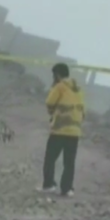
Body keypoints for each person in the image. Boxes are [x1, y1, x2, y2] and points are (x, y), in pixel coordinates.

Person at [37, 63, 85, 197]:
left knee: (50, 158)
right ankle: (67, 189)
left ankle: (48, 185)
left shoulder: (59, 87)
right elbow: (82, 109)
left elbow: (49, 103)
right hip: (75, 131)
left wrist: (52, 113)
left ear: (57, 74)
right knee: (69, 162)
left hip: (59, 130)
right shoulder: (78, 89)